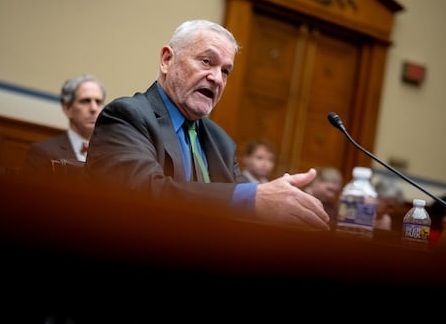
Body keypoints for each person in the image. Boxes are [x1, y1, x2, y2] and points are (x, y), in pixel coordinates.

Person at [84, 19, 329, 231]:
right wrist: (254, 198)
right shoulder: (127, 116)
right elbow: (143, 195)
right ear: (167, 60)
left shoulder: (219, 140)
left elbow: (244, 199)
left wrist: (287, 205)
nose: (216, 78)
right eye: (206, 61)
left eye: (225, 71)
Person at [23, 74, 106, 176]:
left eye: (98, 102)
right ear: (68, 108)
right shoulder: (43, 152)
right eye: (85, 101)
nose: (94, 108)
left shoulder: (112, 153)